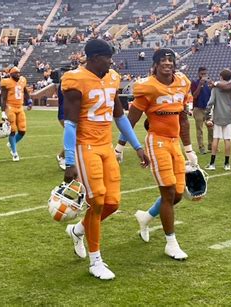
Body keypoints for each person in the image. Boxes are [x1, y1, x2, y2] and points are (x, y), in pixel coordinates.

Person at [61, 39, 149, 280]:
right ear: (93, 57)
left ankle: (78, 230)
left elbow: (119, 116)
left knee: (112, 203)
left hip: (105, 146)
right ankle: (95, 260)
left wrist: (137, 146)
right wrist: (70, 161)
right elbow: (70, 123)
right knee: (97, 201)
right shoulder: (75, 79)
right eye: (107, 57)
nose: (111, 61)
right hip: (85, 146)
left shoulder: (112, 78)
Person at [116, 48, 198, 259]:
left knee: (178, 194)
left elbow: (183, 119)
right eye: (162, 60)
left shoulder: (182, 82)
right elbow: (131, 119)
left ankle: (147, 216)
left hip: (174, 143)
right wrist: (120, 146)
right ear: (154, 64)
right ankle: (170, 242)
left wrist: (189, 149)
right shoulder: (148, 86)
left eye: (170, 59)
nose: (167, 63)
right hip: (156, 141)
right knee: (168, 192)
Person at [205, 69, 231, 171]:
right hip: (229, 116)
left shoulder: (216, 88)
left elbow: (211, 102)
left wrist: (207, 115)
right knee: (227, 139)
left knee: (216, 139)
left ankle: (212, 163)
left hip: (218, 116)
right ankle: (227, 163)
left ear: (221, 77)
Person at [0, 67, 29, 161]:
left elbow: (25, 91)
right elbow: (3, 98)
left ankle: (12, 143)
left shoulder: (23, 80)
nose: (18, 74)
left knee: (22, 130)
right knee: (12, 130)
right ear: (11, 74)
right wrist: (3, 112)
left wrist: (29, 101)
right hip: (10, 107)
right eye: (16, 73)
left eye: (19, 73)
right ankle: (14, 153)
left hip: (20, 107)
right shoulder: (6, 82)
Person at [191, 67, 213, 154]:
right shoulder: (194, 83)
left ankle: (211, 145)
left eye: (205, 74)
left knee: (211, 128)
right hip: (198, 109)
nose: (204, 76)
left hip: (207, 108)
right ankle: (201, 147)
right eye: (202, 74)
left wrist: (212, 86)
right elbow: (194, 95)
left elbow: (212, 95)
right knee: (199, 129)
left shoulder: (208, 83)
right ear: (198, 74)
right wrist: (200, 85)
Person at [56, 82, 65, 170]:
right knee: (75, 137)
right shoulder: (66, 82)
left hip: (71, 113)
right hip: (65, 114)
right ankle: (62, 156)